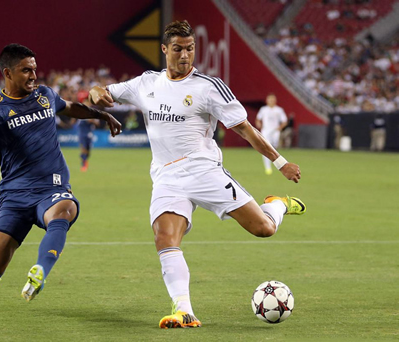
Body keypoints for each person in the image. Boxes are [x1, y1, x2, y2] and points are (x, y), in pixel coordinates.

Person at [89, 20, 305, 329]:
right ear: (165, 50)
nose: (185, 55)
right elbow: (101, 91)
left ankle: (277, 204)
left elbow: (245, 129)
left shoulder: (208, 87)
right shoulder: (146, 83)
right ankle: (183, 310)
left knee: (265, 229)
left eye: (190, 49)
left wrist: (281, 161)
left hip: (205, 173)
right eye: (177, 49)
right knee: (164, 237)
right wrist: (97, 95)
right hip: (166, 178)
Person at [0, 44, 122, 301]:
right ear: (8, 73)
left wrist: (102, 115)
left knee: (66, 209)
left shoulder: (45, 95)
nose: (33, 76)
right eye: (26, 70)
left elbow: (71, 107)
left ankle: (40, 271)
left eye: (34, 70)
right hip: (14, 195)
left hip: (52, 186)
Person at [255, 94, 288, 175]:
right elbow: (258, 119)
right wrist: (259, 124)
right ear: (267, 101)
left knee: (274, 148)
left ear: (275, 101)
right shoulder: (263, 109)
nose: (271, 101)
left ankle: (278, 164)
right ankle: (268, 168)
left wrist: (279, 128)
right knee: (266, 148)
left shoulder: (279, 110)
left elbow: (284, 121)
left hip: (275, 131)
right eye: (270, 100)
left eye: (272, 100)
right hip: (266, 131)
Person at [75, 92, 100, 172]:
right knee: (83, 148)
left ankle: (85, 160)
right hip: (82, 133)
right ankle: (83, 163)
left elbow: (97, 123)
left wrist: (92, 120)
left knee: (88, 150)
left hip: (89, 133)